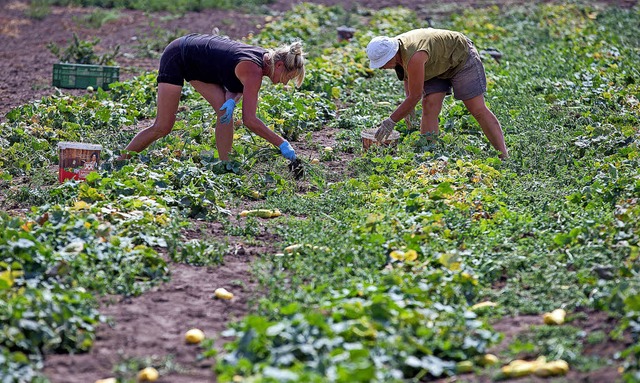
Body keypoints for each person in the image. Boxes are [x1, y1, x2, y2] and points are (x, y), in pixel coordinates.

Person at [119, 33, 304, 162]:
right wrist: (282, 143)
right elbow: (250, 120)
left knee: (224, 110)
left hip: (199, 63)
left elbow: (236, 82)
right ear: (279, 65)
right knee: (163, 126)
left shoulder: (264, 60)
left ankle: (225, 164)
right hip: (179, 55)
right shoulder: (254, 69)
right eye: (286, 78)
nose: (283, 84)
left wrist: (232, 99)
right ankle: (119, 161)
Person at [365, 28, 508, 159]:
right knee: (429, 106)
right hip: (434, 63)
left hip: (460, 57)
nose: (382, 68)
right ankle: (429, 156)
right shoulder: (396, 50)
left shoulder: (414, 55)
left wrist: (391, 121)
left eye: (382, 63)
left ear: (391, 56)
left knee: (477, 109)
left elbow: (415, 96)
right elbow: (408, 78)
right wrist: (408, 108)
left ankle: (504, 156)